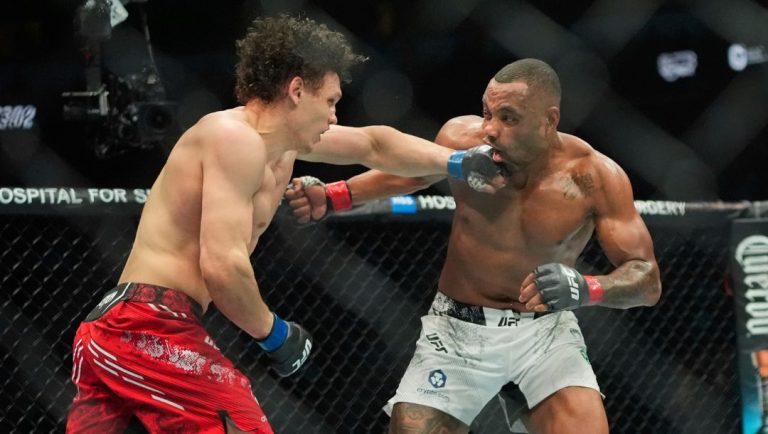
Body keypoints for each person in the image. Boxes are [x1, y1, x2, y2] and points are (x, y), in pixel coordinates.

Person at [65, 15, 506, 434]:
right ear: (297, 90)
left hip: (120, 330)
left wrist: (457, 162)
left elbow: (375, 144)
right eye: (330, 101)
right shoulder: (233, 138)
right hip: (148, 324)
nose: (334, 115)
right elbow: (222, 264)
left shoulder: (283, 146)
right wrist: (274, 333)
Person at [285, 58, 662, 434]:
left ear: (549, 120)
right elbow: (411, 172)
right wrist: (335, 195)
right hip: (457, 328)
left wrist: (588, 287)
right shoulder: (462, 142)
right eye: (487, 113)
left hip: (545, 334)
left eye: (509, 118)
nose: (491, 130)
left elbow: (646, 280)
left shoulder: (594, 176)